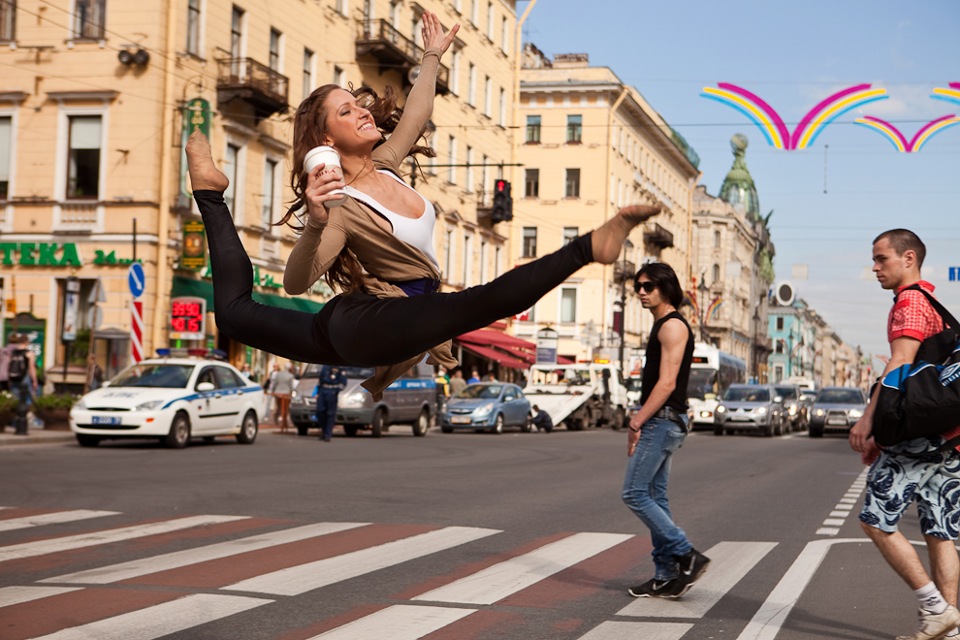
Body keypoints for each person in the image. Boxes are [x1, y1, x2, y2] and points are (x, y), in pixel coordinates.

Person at [185, 130, 659, 392]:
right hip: (367, 321)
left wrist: (433, 54)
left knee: (230, 314)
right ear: (329, 137)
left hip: (359, 330)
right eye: (348, 109)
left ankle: (207, 192)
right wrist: (315, 218)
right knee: (478, 304)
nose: (365, 112)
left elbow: (417, 113)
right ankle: (587, 247)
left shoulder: (385, 167)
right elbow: (293, 283)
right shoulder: (341, 201)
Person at [849, 229, 960, 640]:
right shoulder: (933, 303)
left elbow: (899, 364)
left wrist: (870, 423)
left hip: (920, 437)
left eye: (882, 259)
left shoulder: (910, 303)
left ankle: (934, 609)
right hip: (950, 434)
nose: (875, 267)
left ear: (908, 258)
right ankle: (948, 629)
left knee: (875, 520)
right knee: (940, 531)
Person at [623, 263, 710, 599]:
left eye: (648, 286)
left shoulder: (672, 327)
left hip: (662, 419)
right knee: (655, 497)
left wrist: (636, 421)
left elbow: (667, 383)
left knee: (634, 494)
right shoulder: (663, 324)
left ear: (666, 288)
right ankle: (664, 575)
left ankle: (687, 554)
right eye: (638, 287)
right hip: (663, 419)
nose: (642, 292)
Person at [7, 333, 38, 436]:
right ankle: (23, 423)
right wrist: (34, 380)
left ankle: (15, 422)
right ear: (27, 342)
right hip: (24, 379)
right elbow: (31, 368)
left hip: (14, 378)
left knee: (15, 400)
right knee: (26, 400)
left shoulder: (13, 352)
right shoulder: (28, 353)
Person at [316, 365, 347, 442]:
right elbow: (320, 380)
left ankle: (327, 434)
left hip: (332, 391)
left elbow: (343, 382)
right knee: (320, 411)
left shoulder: (339, 367)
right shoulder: (324, 366)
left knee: (330, 414)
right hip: (323, 390)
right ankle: (324, 431)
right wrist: (318, 392)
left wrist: (336, 391)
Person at [271, 364, 296, 433]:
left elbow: (275, 384)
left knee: (279, 407)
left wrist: (273, 391)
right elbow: (291, 386)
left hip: (278, 393)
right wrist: (291, 393)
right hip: (286, 394)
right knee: (285, 409)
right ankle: (284, 423)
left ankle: (278, 420)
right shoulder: (290, 376)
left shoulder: (278, 374)